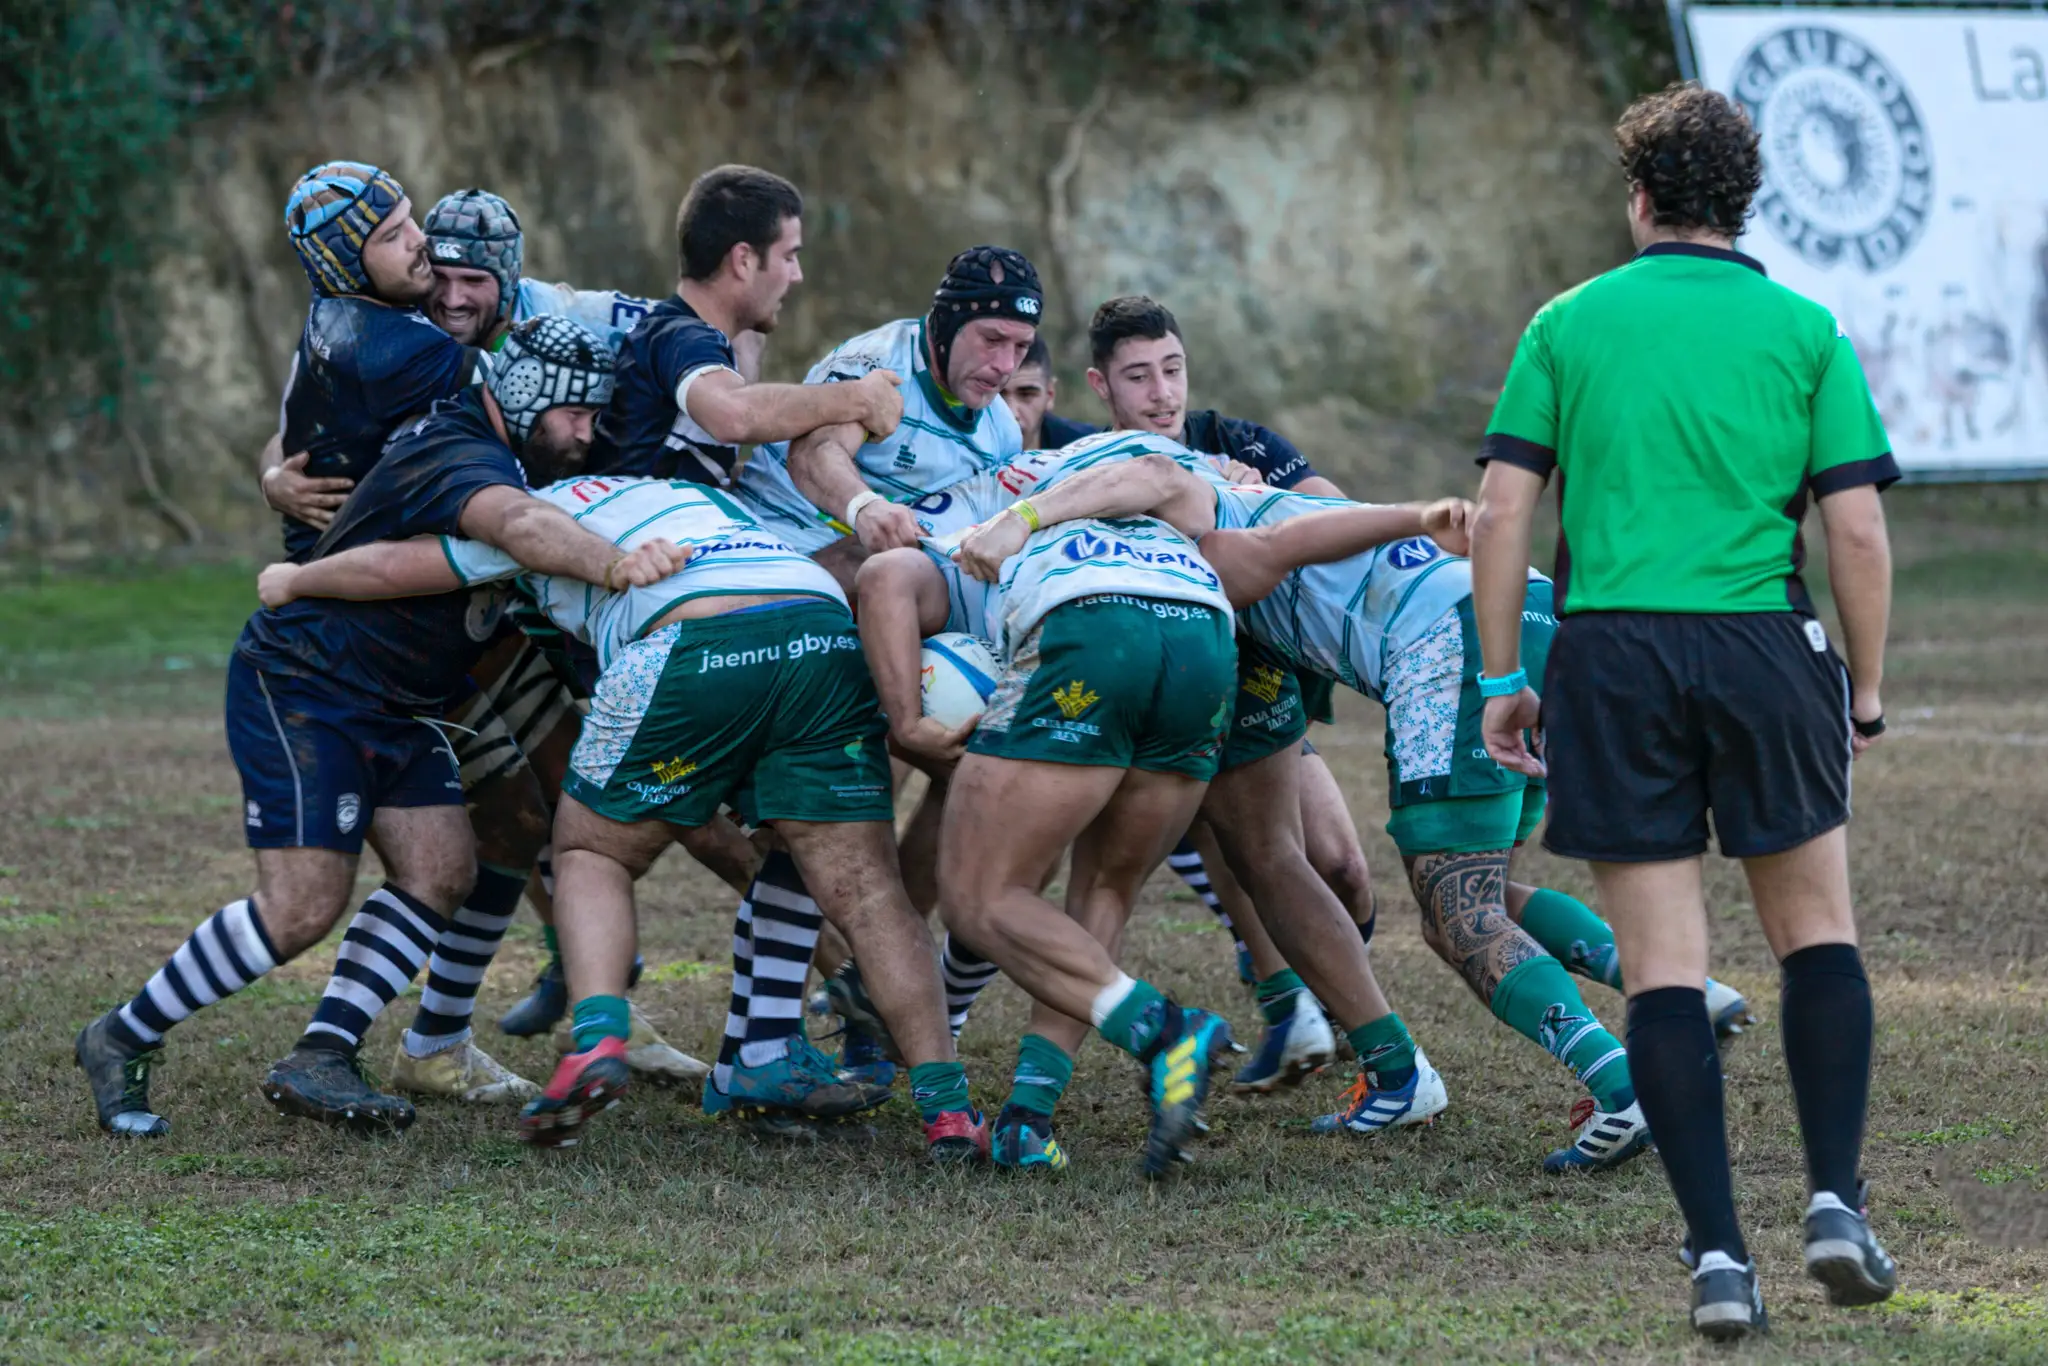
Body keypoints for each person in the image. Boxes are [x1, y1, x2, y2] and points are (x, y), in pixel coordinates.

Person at [1467, 83, 1900, 1339]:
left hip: (1612, 655)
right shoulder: (1805, 327)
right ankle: (1830, 1200)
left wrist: (1504, 677)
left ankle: (1716, 1257)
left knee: (1664, 969)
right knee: (1815, 936)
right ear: (1742, 202)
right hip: (1765, 648)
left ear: (1640, 198)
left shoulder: (1567, 321)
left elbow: (1500, 514)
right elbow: (1855, 525)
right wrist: (1860, 685)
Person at [254, 473, 989, 1161]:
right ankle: (948, 1110)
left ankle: (598, 1040)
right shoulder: (695, 495)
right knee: (868, 892)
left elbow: (395, 569)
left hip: (692, 637)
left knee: (592, 853)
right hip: (821, 631)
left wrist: (296, 579)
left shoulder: (526, 510)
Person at [73, 317, 686, 1136]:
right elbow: (520, 530)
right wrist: (616, 564)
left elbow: (401, 564)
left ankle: (323, 1053)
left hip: (399, 701)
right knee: (299, 908)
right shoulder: (469, 458)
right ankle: (119, 1036)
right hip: (308, 684)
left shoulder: (495, 452)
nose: (588, 433)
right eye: (576, 414)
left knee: (441, 868)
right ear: (531, 396)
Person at [419, 185, 718, 1084]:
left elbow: (678, 329)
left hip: (527, 587)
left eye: (475, 279)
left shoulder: (568, 315)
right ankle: (434, 1034)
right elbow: (295, 443)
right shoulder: (398, 334)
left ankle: (586, 999)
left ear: (509, 280)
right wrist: (281, 487)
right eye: (440, 275)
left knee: (553, 806)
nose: (453, 296)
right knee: (509, 824)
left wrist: (717, 383)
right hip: (452, 608)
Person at [1081, 295, 1388, 1088]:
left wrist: (1253, 502)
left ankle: (1327, 1007)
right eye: (1138, 377)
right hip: (1167, 696)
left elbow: (1335, 513)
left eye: (1172, 370)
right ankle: (1308, 1012)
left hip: (1261, 688)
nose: (1161, 394)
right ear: (1102, 388)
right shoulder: (1090, 467)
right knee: (1239, 847)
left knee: (1344, 865)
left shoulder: (1235, 443)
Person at [586, 164, 903, 489]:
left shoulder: (716, 338)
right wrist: (860, 397)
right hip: (631, 528)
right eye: (789, 257)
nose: (797, 276)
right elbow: (735, 415)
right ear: (744, 261)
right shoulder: (681, 336)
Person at [257, 163, 482, 556]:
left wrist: (271, 476)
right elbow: (531, 382)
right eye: (393, 236)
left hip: (334, 564)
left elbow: (289, 435)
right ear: (347, 268)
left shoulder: (332, 297)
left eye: (409, 217)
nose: (419, 239)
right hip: (353, 589)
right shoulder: (390, 350)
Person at [999, 336, 1096, 450]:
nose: (1012, 413)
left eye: (1026, 395)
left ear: (1050, 394)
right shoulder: (972, 453)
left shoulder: (1089, 450)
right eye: (998, 398)